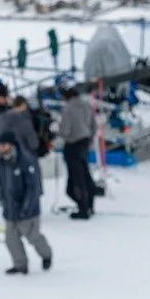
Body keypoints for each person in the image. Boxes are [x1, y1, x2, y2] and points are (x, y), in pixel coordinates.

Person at [0, 137, 52, 274]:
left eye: (4, 144)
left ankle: (46, 255)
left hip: (27, 211)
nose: (1, 148)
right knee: (11, 239)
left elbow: (33, 188)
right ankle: (20, 265)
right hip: (10, 210)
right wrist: (0, 197)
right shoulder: (1, 161)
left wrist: (26, 208)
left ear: (12, 145)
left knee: (33, 237)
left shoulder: (26, 161)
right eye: (0, 145)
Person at [58, 84, 96, 218]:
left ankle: (83, 208)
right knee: (85, 174)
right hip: (85, 142)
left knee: (76, 177)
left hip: (72, 144)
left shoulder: (68, 109)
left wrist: (58, 132)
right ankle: (90, 204)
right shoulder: (87, 105)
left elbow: (65, 131)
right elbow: (94, 125)